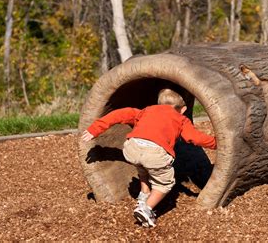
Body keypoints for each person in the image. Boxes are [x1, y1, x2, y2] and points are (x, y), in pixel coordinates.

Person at [81, 88, 217, 227]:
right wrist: (216, 143)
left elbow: (120, 114)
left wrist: (95, 129)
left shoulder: (147, 110)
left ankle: (144, 194)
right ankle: (145, 208)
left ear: (158, 104)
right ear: (183, 110)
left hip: (131, 148)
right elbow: (194, 138)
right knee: (164, 184)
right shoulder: (181, 119)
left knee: (142, 165)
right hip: (154, 153)